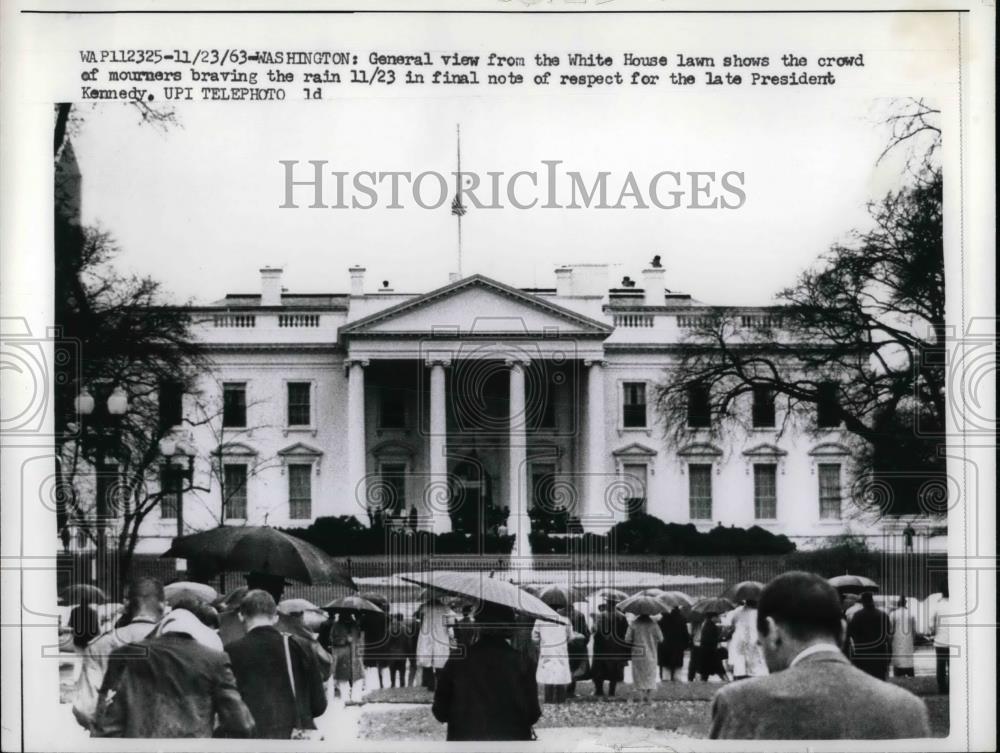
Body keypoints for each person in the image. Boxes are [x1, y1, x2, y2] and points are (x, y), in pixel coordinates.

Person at [709, 571, 931, 739]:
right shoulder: (907, 708)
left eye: (761, 637)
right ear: (843, 631)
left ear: (773, 630)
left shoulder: (738, 703)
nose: (759, 643)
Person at [93, 608, 254, 738]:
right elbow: (241, 723)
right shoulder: (215, 660)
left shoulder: (126, 656)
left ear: (160, 631)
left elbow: (106, 726)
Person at [226, 590, 327, 739]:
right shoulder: (299, 646)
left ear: (241, 616)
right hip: (291, 738)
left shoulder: (230, 651)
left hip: (250, 740)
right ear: (275, 618)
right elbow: (319, 705)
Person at [432, 603, 541, 741]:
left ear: (478, 624)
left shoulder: (457, 661)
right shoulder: (523, 662)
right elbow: (533, 713)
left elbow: (440, 712)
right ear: (511, 626)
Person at [73, 577, 167, 732]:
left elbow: (84, 707)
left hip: (113, 740)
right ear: (162, 606)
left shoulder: (100, 646)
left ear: (126, 604)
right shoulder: (176, 644)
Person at [321, 611, 365, 703]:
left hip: (353, 654)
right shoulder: (337, 626)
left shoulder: (353, 625)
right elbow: (332, 639)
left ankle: (355, 697)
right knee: (343, 678)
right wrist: (345, 640)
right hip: (343, 654)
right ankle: (346, 698)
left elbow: (358, 637)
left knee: (357, 677)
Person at [847, 592, 892, 680]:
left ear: (863, 602)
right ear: (872, 601)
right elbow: (888, 636)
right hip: (879, 656)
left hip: (862, 655)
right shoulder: (883, 615)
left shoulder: (857, 616)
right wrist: (889, 656)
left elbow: (850, 633)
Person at [533, 607, 572, 703]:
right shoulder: (565, 620)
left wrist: (539, 643)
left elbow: (534, 636)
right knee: (560, 672)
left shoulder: (540, 620)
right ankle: (560, 698)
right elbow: (571, 637)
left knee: (548, 672)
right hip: (560, 649)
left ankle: (549, 699)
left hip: (547, 649)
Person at [415, 597, 454, 691]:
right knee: (440, 661)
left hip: (427, 635)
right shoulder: (446, 608)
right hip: (441, 635)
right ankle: (440, 684)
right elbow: (451, 624)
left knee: (427, 661)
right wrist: (451, 636)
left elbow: (417, 617)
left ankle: (430, 685)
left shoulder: (424, 607)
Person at [591, 601, 629, 698]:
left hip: (602, 647)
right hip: (616, 647)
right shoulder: (622, 617)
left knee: (599, 670)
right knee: (614, 671)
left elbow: (596, 630)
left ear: (608, 604)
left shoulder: (600, 616)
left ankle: (599, 691)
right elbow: (625, 633)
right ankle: (611, 692)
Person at [724, 601, 767, 680]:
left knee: (740, 669)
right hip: (753, 643)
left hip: (740, 644)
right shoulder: (760, 613)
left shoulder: (736, 612)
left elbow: (730, 627)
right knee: (755, 670)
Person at [625, 613, 663, 700]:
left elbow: (627, 639)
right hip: (651, 653)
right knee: (650, 674)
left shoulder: (634, 624)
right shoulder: (654, 624)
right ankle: (649, 698)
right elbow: (661, 638)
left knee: (638, 675)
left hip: (638, 653)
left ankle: (641, 698)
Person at [68, 598, 101, 681]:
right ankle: (90, 679)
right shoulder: (93, 612)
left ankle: (76, 679)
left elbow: (70, 625)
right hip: (89, 641)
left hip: (78, 639)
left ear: (80, 602)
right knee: (89, 661)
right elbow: (96, 629)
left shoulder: (74, 611)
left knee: (78, 659)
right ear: (89, 603)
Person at [658, 606, 689, 681]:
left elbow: (659, 634)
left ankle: (666, 682)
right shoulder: (682, 619)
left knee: (666, 668)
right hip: (678, 647)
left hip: (665, 647)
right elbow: (685, 635)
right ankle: (676, 682)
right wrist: (685, 645)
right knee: (677, 668)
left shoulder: (662, 619)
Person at [889, 596, 917, 678]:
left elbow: (891, 630)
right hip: (908, 640)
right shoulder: (911, 614)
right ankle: (910, 674)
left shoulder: (893, 614)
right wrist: (913, 641)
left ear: (898, 604)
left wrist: (890, 641)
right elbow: (914, 630)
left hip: (897, 640)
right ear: (905, 603)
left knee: (898, 658)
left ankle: (898, 674)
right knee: (908, 659)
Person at [566, 605, 590, 697]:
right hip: (577, 644)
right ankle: (570, 691)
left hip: (564, 644)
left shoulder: (558, 615)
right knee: (574, 668)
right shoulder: (579, 615)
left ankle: (562, 690)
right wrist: (584, 642)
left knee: (565, 667)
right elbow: (585, 631)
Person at [698, 612, 729, 682]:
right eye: (718, 617)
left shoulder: (706, 624)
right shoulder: (711, 626)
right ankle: (727, 682)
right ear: (713, 617)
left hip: (706, 652)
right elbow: (712, 639)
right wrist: (724, 636)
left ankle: (701, 684)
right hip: (711, 652)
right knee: (720, 670)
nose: (719, 618)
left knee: (705, 672)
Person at [931, 582, 950, 693]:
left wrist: (933, 631)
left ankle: (942, 688)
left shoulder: (937, 606)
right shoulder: (957, 605)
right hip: (955, 642)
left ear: (942, 593)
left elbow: (931, 625)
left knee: (941, 666)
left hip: (940, 641)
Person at [385, 613, 411, 687]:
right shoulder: (406, 629)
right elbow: (408, 643)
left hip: (392, 656)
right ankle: (402, 688)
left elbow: (386, 643)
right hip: (402, 656)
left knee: (392, 675)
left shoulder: (389, 630)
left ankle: (393, 686)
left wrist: (386, 654)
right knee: (402, 675)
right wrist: (409, 654)